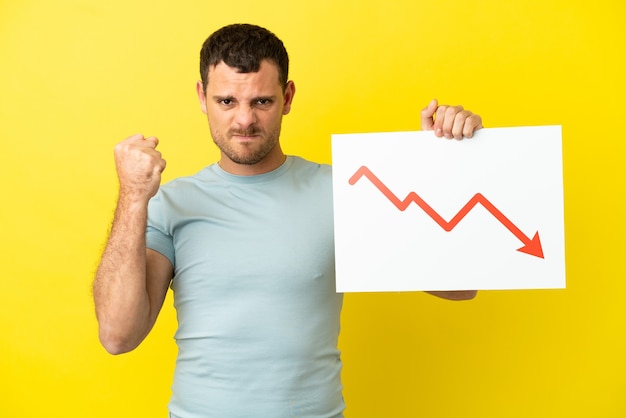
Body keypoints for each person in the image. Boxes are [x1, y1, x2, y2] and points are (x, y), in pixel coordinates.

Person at [93, 23, 482, 418]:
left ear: (288, 96)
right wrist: (132, 197)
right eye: (226, 101)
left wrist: (440, 165)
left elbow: (460, 287)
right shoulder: (170, 204)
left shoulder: (342, 192)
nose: (244, 120)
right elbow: (117, 335)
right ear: (201, 96)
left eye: (261, 102)